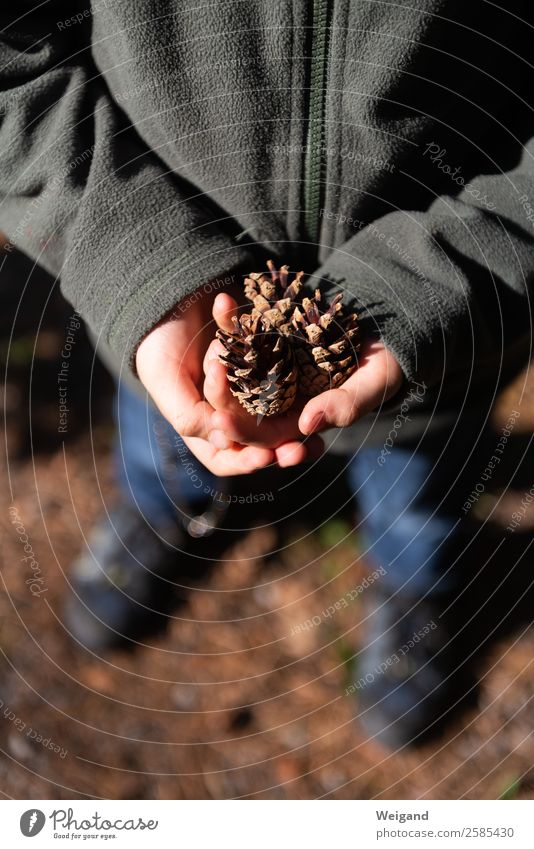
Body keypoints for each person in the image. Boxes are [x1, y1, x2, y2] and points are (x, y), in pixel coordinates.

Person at [1, 0, 533, 749]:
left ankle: (416, 582)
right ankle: (166, 510)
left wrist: (438, 284)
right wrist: (137, 258)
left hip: (445, 341)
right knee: (167, 434)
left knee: (421, 482)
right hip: (169, 306)